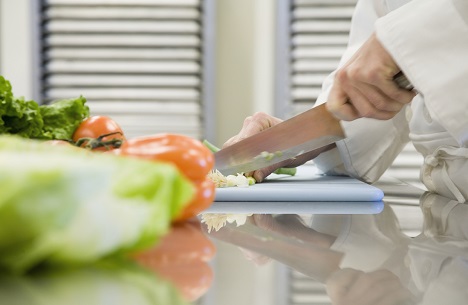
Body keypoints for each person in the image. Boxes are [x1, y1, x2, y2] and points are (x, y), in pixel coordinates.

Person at [223, 0, 468, 203]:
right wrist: (301, 141)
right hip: (444, 205)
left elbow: (395, 40)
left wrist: (409, 37)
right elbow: (365, 66)